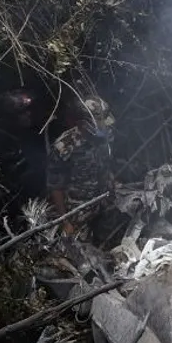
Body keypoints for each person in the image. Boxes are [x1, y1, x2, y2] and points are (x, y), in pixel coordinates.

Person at [48, 94, 115, 240]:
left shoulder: (105, 137)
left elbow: (106, 163)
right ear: (82, 124)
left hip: (104, 199)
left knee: (110, 239)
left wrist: (111, 182)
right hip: (79, 210)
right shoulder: (64, 146)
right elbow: (56, 187)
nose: (104, 127)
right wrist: (65, 221)